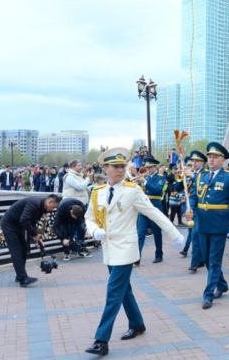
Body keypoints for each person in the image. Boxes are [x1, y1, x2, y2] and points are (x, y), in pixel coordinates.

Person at [84, 147, 183, 356]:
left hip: (126, 250)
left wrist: (174, 234)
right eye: (115, 167)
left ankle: (101, 339)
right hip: (109, 249)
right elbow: (89, 217)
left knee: (113, 293)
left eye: (122, 167)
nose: (120, 170)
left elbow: (154, 213)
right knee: (123, 289)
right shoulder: (97, 191)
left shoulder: (132, 190)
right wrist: (95, 230)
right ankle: (137, 323)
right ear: (105, 169)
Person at [185, 142, 229, 309]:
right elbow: (194, 198)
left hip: (219, 224)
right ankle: (222, 284)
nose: (211, 160)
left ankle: (208, 294)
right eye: (209, 157)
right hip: (202, 224)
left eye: (215, 157)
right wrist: (188, 210)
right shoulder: (200, 177)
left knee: (214, 260)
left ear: (223, 159)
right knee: (206, 259)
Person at [1, 194, 61, 287]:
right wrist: (35, 234)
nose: (52, 210)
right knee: (16, 250)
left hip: (16, 225)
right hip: (9, 224)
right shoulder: (35, 203)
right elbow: (24, 220)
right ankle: (23, 279)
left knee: (24, 248)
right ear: (50, 201)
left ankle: (20, 274)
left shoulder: (41, 207)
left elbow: (31, 222)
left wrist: (36, 240)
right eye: (53, 207)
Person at [178, 151, 208, 272]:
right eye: (193, 161)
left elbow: (204, 185)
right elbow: (176, 188)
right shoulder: (192, 174)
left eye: (196, 161)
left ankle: (194, 262)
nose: (193, 163)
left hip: (201, 208)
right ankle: (200, 259)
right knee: (194, 234)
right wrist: (181, 178)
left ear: (202, 162)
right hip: (190, 207)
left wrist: (192, 176)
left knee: (196, 235)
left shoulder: (205, 174)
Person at [135, 157, 168, 264]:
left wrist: (144, 182)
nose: (148, 169)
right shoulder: (145, 178)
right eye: (147, 167)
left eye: (150, 167)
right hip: (143, 208)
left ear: (155, 167)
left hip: (155, 208)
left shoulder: (161, 178)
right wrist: (137, 184)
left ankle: (159, 254)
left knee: (157, 232)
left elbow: (157, 190)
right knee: (140, 233)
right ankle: (137, 257)